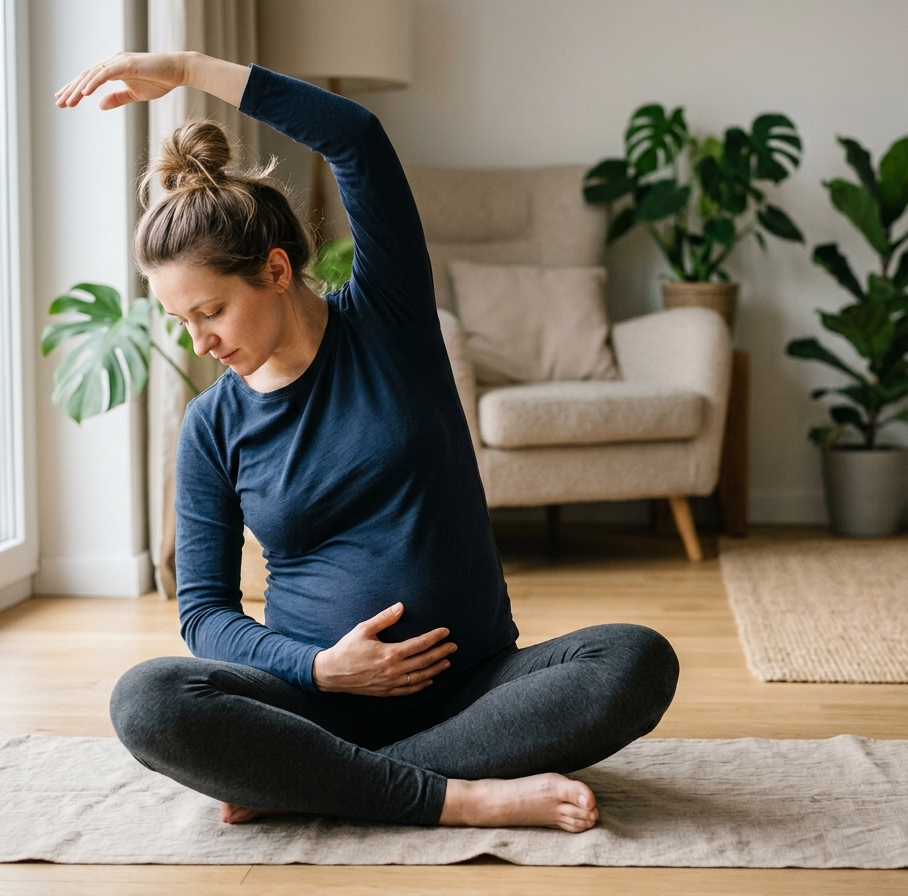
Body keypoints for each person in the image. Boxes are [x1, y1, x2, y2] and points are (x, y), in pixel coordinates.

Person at [56, 51, 679, 833]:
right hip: (315, 706)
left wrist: (184, 67)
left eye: (210, 311)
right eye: (181, 321)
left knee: (634, 660)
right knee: (147, 700)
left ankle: (324, 787)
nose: (199, 341)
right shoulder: (212, 424)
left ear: (276, 270)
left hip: (477, 688)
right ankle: (461, 796)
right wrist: (319, 668)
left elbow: (357, 139)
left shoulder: (389, 322)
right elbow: (205, 612)